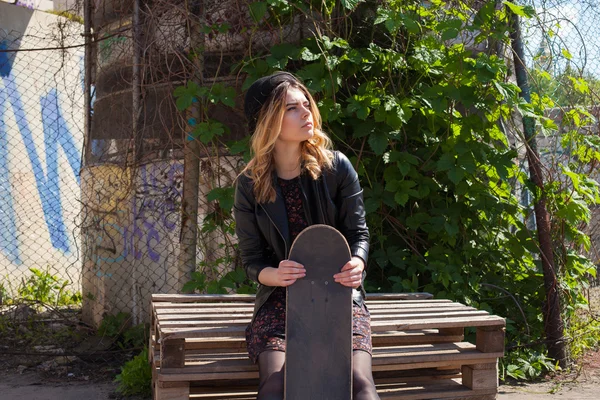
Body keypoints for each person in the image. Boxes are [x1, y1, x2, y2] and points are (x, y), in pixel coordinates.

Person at [233, 71, 379, 400]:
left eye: (306, 105)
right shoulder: (248, 185)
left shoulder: (337, 168)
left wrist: (358, 261)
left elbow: (359, 233)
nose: (306, 114)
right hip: (279, 303)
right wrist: (276, 274)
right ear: (268, 121)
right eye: (292, 108)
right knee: (276, 386)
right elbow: (252, 262)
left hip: (341, 298)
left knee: (359, 385)